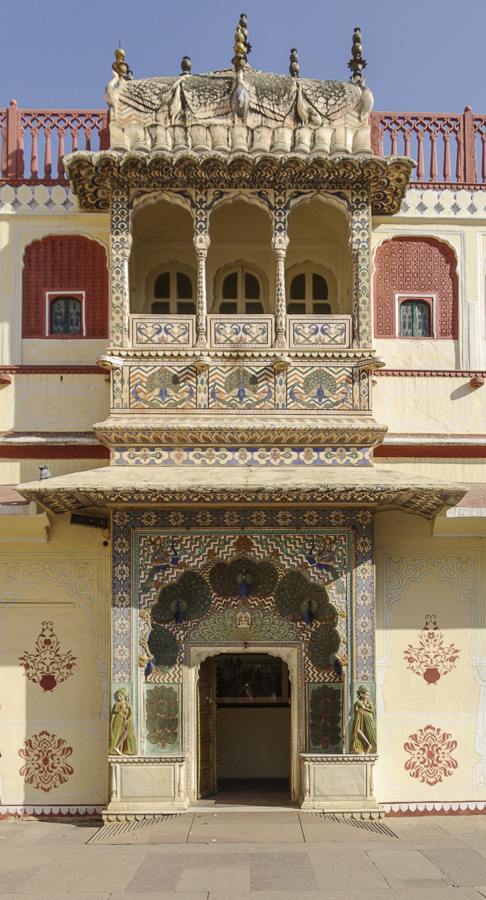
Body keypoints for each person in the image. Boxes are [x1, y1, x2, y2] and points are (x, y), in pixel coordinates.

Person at [109, 688, 137, 755]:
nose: (119, 698)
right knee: (118, 732)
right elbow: (114, 711)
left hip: (126, 720)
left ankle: (118, 748)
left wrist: (127, 720)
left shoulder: (127, 704)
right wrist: (120, 711)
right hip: (118, 720)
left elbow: (130, 712)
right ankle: (117, 749)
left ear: (124, 696)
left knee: (126, 732)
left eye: (120, 696)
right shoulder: (117, 704)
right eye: (118, 696)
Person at [350, 685, 377, 753]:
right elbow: (356, 710)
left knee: (369, 731)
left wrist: (365, 709)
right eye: (366, 694)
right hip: (359, 717)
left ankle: (370, 746)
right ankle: (365, 745)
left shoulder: (369, 702)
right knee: (357, 730)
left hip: (368, 718)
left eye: (368, 695)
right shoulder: (358, 702)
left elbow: (372, 711)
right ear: (361, 694)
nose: (367, 696)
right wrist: (363, 710)